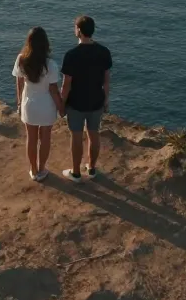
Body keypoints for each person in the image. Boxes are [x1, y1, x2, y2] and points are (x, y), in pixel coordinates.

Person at [59, 15, 112, 182]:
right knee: (93, 134)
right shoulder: (104, 51)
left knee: (76, 136)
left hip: (76, 102)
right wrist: (106, 100)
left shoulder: (71, 55)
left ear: (79, 31)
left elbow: (66, 85)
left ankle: (75, 173)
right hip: (96, 100)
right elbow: (106, 81)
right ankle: (92, 168)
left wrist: (61, 104)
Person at [12, 26, 63, 181]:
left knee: (31, 138)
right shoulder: (51, 65)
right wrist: (61, 107)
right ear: (45, 43)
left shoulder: (21, 59)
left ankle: (33, 170)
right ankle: (42, 169)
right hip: (47, 105)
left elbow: (19, 83)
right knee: (45, 137)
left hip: (29, 104)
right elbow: (53, 90)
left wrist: (19, 103)